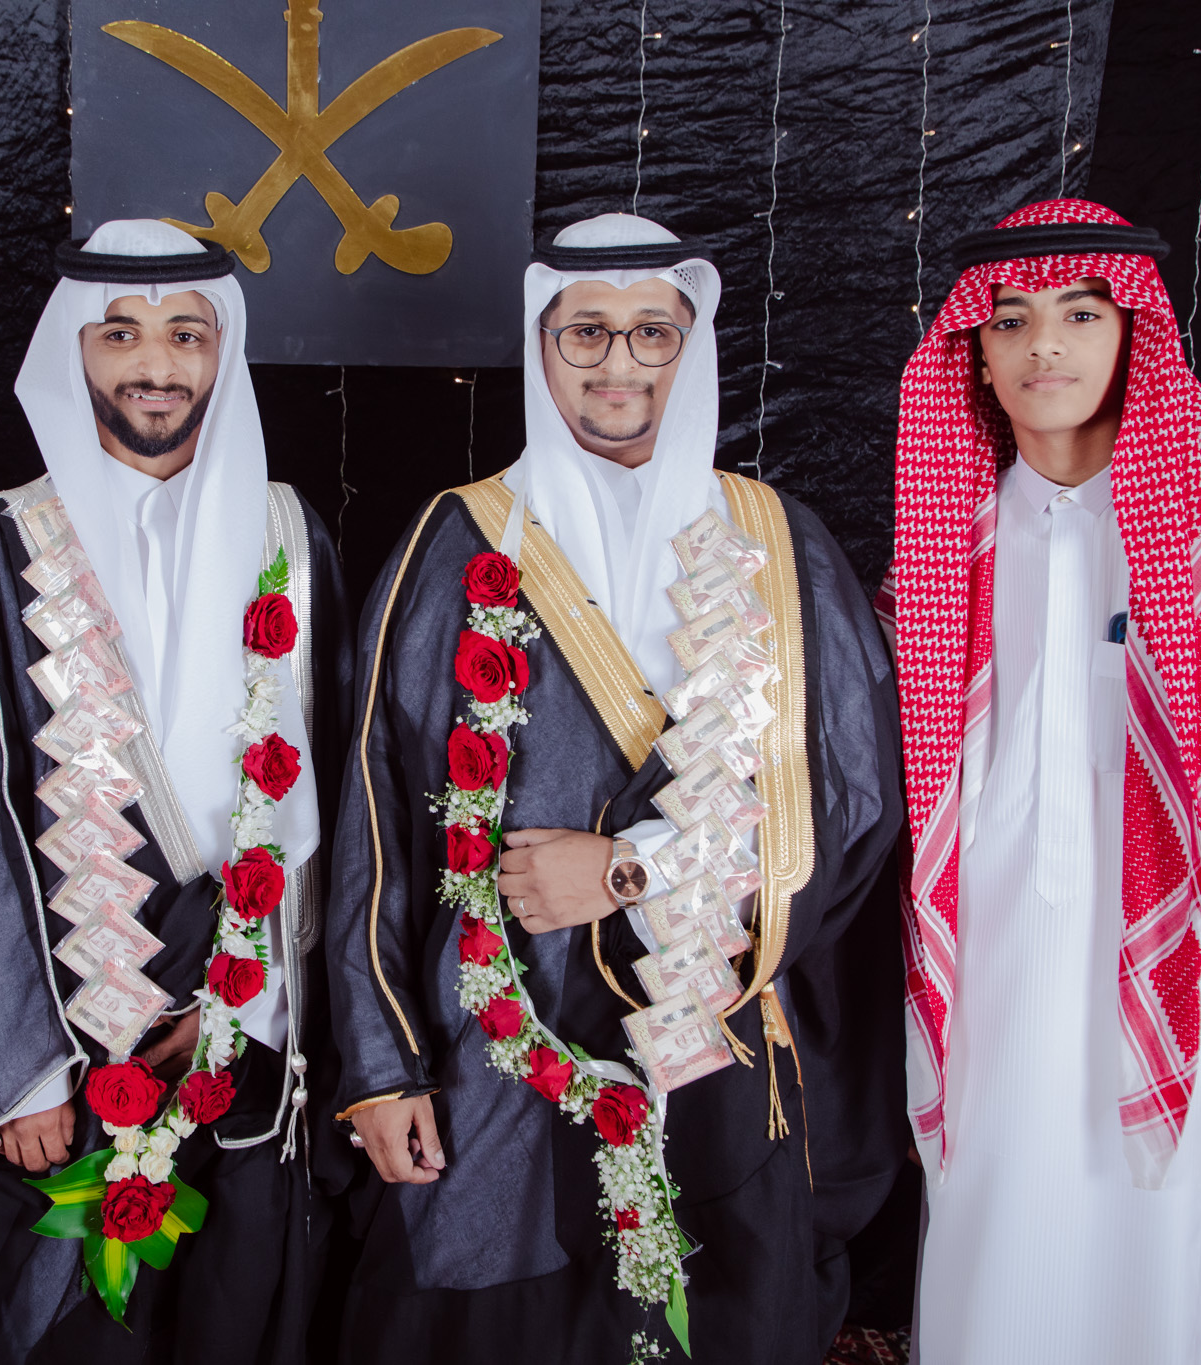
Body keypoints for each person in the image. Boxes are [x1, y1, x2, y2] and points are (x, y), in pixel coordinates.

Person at [324, 212, 906, 1363]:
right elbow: (376, 824)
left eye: (652, 332)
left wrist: (630, 872)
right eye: (584, 332)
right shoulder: (458, 538)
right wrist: (381, 1065)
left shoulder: (776, 541)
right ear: (540, 348)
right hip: (494, 1041)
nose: (618, 363)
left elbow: (847, 802)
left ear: (690, 347)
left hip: (716, 1033)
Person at [886, 199, 1201, 1363]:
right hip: (986, 1005)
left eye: (1079, 313)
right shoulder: (946, 540)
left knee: (1186, 1296)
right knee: (989, 1291)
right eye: (1009, 320)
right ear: (975, 353)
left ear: (1132, 333)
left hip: (1199, 1018)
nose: (1042, 345)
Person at [0, 220, 353, 1364]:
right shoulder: (4, 540)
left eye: (184, 335)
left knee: (232, 1306)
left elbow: (330, 787)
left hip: (249, 1009)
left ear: (221, 353)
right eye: (119, 334)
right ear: (74, 349)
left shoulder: (287, 532)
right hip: (70, 1019)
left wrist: (249, 999)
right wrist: (17, 1068)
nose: (154, 364)